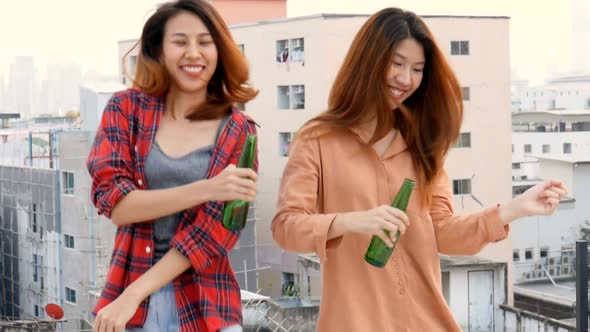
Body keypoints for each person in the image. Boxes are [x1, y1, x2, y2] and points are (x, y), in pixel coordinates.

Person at [271, 7, 567, 331]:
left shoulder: (422, 144)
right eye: (396, 63)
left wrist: (513, 209)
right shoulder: (318, 140)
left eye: (417, 69)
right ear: (368, 60)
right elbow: (286, 227)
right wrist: (351, 221)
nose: (405, 79)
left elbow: (443, 232)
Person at [86, 1, 258, 331]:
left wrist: (133, 294)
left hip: (207, 306)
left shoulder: (239, 130)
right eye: (180, 42)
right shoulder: (125, 110)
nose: (193, 53)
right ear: (159, 50)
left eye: (205, 42)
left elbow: (215, 234)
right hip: (130, 305)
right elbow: (117, 204)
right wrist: (208, 188)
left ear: (219, 51)